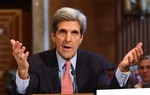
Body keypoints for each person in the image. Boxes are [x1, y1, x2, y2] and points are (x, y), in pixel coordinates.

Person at [10, 7, 143, 95]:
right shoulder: (37, 62)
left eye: (74, 33)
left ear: (81, 38)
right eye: (62, 32)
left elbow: (107, 94)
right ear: (53, 36)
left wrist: (122, 69)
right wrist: (22, 72)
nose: (68, 39)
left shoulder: (95, 63)